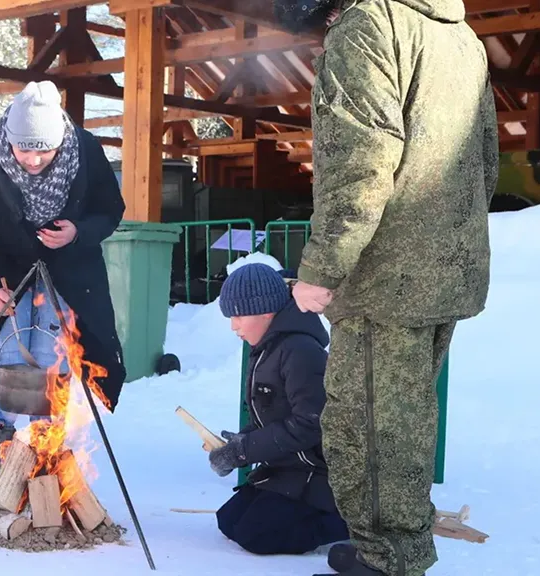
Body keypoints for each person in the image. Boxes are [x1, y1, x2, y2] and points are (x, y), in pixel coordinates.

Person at [273, 1, 499, 575]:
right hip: (444, 268)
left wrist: (322, 268)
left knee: (368, 429)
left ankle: (389, 560)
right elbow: (486, 162)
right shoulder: (460, 37)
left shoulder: (368, 28)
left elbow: (360, 164)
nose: (324, 30)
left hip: (386, 278)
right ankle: (395, 547)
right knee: (407, 421)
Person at [0, 81, 127, 490]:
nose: (33, 158)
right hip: (5, 276)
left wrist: (78, 231)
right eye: (24, 149)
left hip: (68, 273)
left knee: (50, 357)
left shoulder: (86, 150)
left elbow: (111, 209)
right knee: (6, 355)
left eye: (44, 149)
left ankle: (45, 453)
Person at [208, 263, 349, 556]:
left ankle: (345, 522)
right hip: (284, 468)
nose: (234, 325)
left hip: (313, 472)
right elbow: (271, 416)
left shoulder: (300, 351)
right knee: (229, 521)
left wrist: (245, 450)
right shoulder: (266, 349)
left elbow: (311, 423)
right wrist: (238, 444)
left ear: (265, 312)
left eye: (238, 315)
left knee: (256, 536)